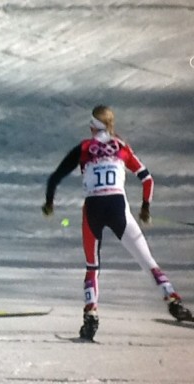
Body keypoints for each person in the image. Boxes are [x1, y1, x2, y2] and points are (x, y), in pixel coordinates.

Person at [42, 105, 192, 341]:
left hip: (93, 208)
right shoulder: (121, 146)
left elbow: (55, 178)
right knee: (147, 260)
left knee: (93, 267)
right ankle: (172, 300)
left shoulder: (83, 148)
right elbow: (147, 178)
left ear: (93, 125)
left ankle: (90, 315)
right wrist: (145, 207)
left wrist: (49, 203)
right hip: (118, 207)